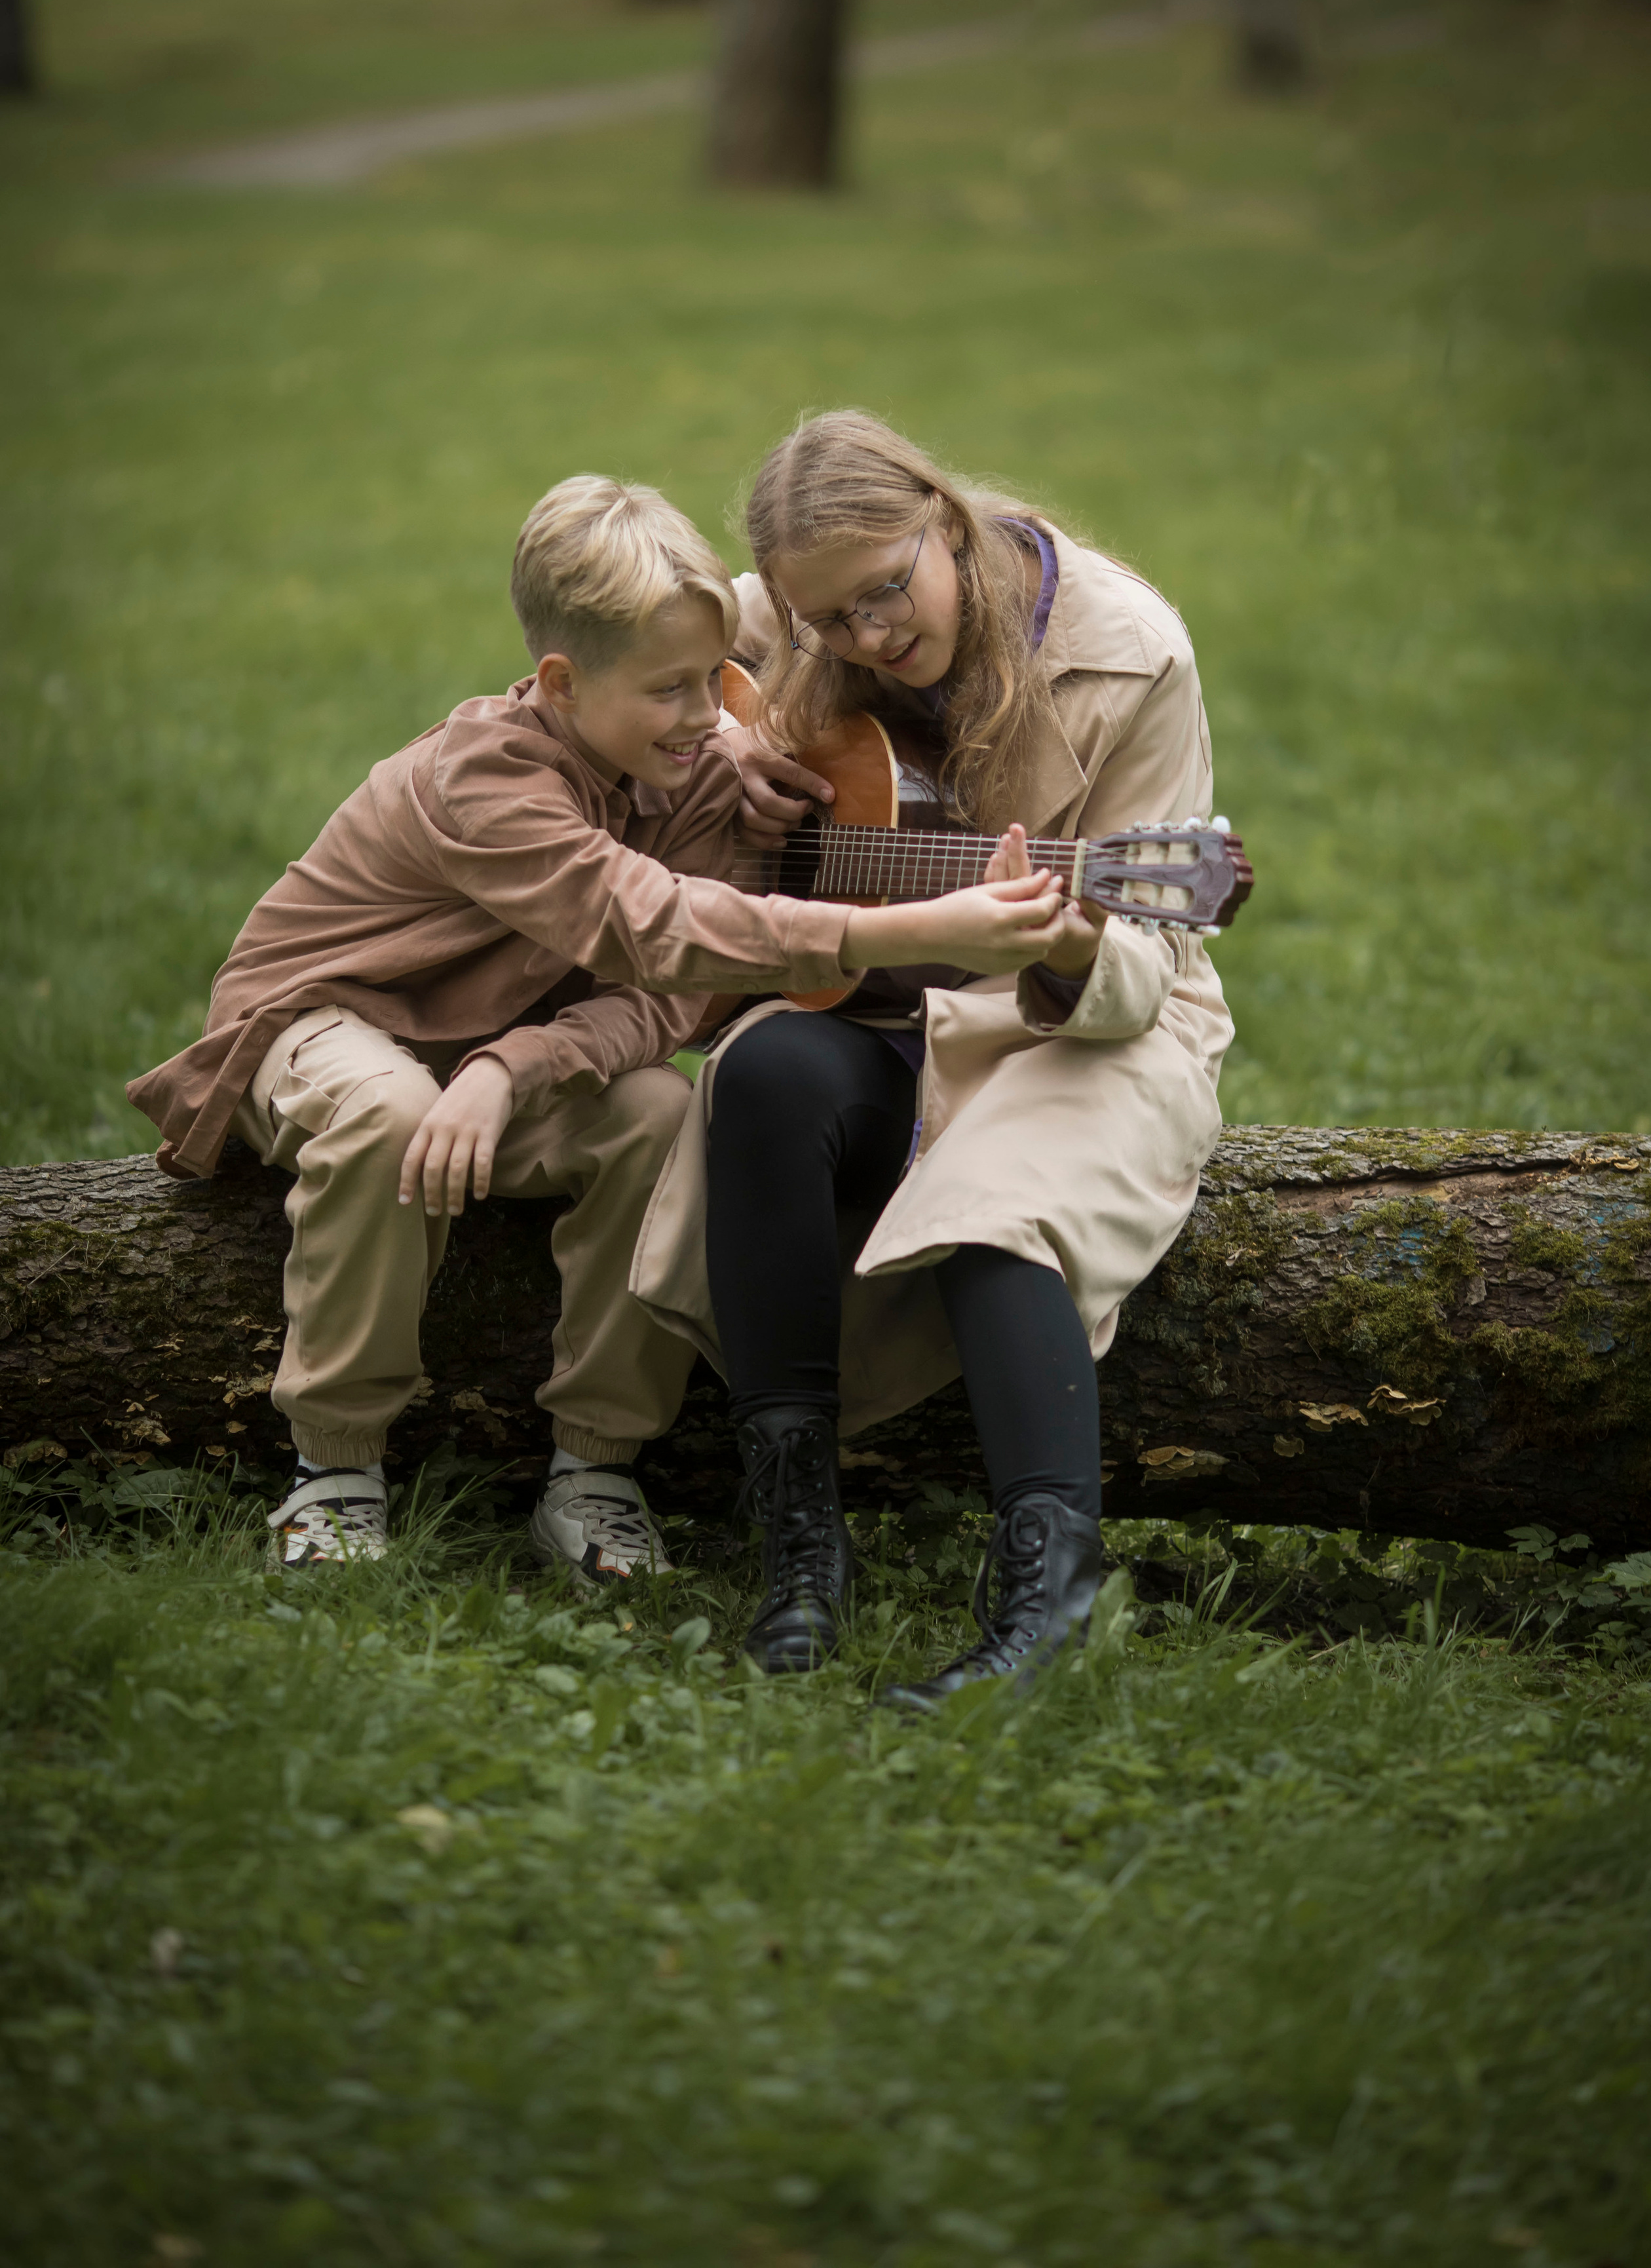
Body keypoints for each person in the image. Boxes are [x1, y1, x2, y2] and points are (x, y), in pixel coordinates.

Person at [128, 475, 1070, 1574]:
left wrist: (508, 1068)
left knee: (663, 1110)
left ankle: (595, 1465)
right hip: (313, 1024)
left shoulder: (694, 769)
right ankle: (335, 1463)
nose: (707, 718)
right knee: (388, 1111)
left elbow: (665, 1002)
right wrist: (889, 935)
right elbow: (649, 925)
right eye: (669, 690)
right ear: (563, 682)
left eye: (715, 683)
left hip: (480, 1066)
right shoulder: (486, 777)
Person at [631, 412, 1234, 1704]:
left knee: (993, 1200)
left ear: (943, 522)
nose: (865, 637)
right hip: (875, 1011)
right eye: (829, 619)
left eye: (886, 592)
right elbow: (656, 635)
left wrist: (1070, 945)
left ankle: (1041, 1608)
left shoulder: (1132, 655)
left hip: (1072, 1023)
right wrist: (724, 736)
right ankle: (797, 1552)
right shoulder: (784, 613)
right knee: (761, 1079)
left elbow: (1150, 961)